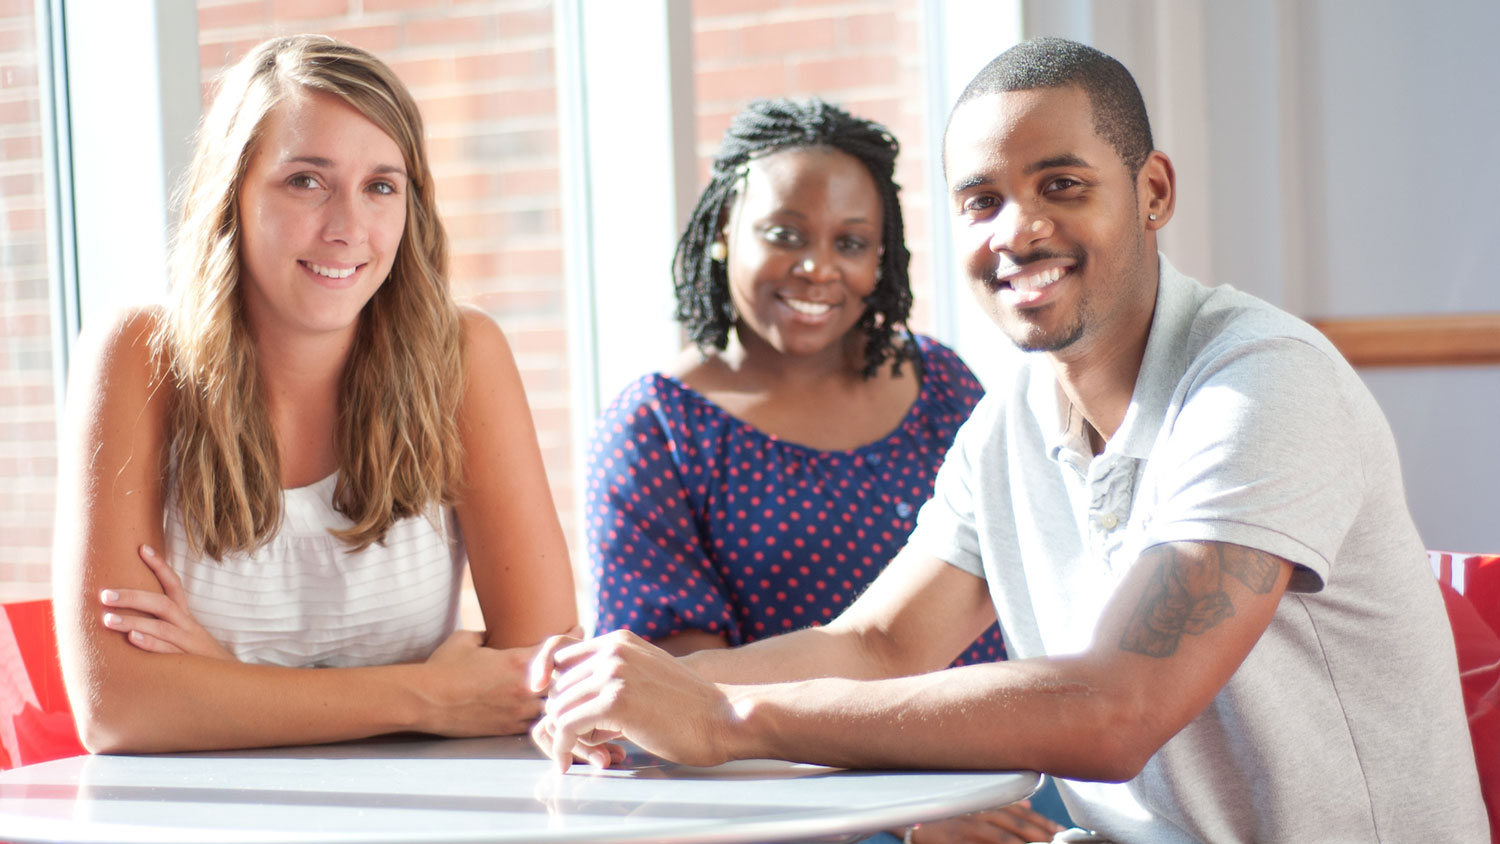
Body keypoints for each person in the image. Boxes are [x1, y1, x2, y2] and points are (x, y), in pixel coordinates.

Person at [531, 38, 1489, 843]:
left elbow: (1118, 709)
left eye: (1061, 185)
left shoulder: (1265, 384)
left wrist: (726, 716)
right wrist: (644, 693)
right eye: (980, 200)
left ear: (1153, 191)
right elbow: (879, 642)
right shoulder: (1010, 422)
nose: (1018, 229)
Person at [51, 34, 577, 753]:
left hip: (425, 811)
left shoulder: (463, 355)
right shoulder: (138, 354)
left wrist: (219, 683)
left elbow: (537, 674)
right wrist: (427, 694)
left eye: (381, 187)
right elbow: (119, 710)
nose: (348, 228)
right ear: (232, 191)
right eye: (306, 180)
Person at [584, 97, 1064, 842]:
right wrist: (904, 815)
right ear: (722, 230)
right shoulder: (656, 428)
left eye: (852, 242)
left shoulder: (941, 385)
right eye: (784, 235)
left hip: (998, 767)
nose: (818, 269)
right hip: (796, 794)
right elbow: (684, 700)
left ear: (883, 256)